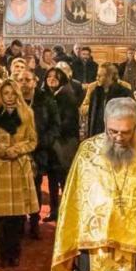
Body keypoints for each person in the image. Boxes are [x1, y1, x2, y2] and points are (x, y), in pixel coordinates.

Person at [51, 98, 136, 271]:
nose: (118, 137)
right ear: (105, 124)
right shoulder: (87, 151)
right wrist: (70, 242)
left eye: (125, 132)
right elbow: (73, 198)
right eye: (113, 131)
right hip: (94, 242)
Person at [0, 79, 40, 266]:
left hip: (20, 167)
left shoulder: (27, 113)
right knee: (1, 218)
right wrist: (3, 150)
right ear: (1, 95)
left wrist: (18, 149)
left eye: (13, 93)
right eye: (6, 93)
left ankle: (15, 253)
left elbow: (32, 140)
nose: (10, 97)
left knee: (18, 217)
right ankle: (4, 254)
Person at [19, 69, 60, 237]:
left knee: (35, 187)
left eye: (27, 80)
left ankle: (34, 222)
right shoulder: (13, 99)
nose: (24, 83)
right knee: (19, 188)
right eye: (20, 80)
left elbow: (55, 125)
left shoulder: (46, 100)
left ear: (35, 81)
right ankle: (20, 221)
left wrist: (43, 142)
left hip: (39, 150)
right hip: (19, 151)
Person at [44, 66, 82, 210]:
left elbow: (69, 122)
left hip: (64, 142)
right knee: (52, 178)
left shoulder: (67, 96)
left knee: (64, 178)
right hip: (51, 142)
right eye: (49, 76)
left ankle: (67, 210)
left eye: (56, 76)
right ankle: (54, 210)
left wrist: (52, 130)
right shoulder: (45, 96)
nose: (52, 79)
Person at [81, 62, 132, 140]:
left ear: (109, 77)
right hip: (98, 134)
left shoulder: (124, 93)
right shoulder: (95, 92)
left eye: (99, 76)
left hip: (116, 136)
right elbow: (91, 118)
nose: (96, 78)